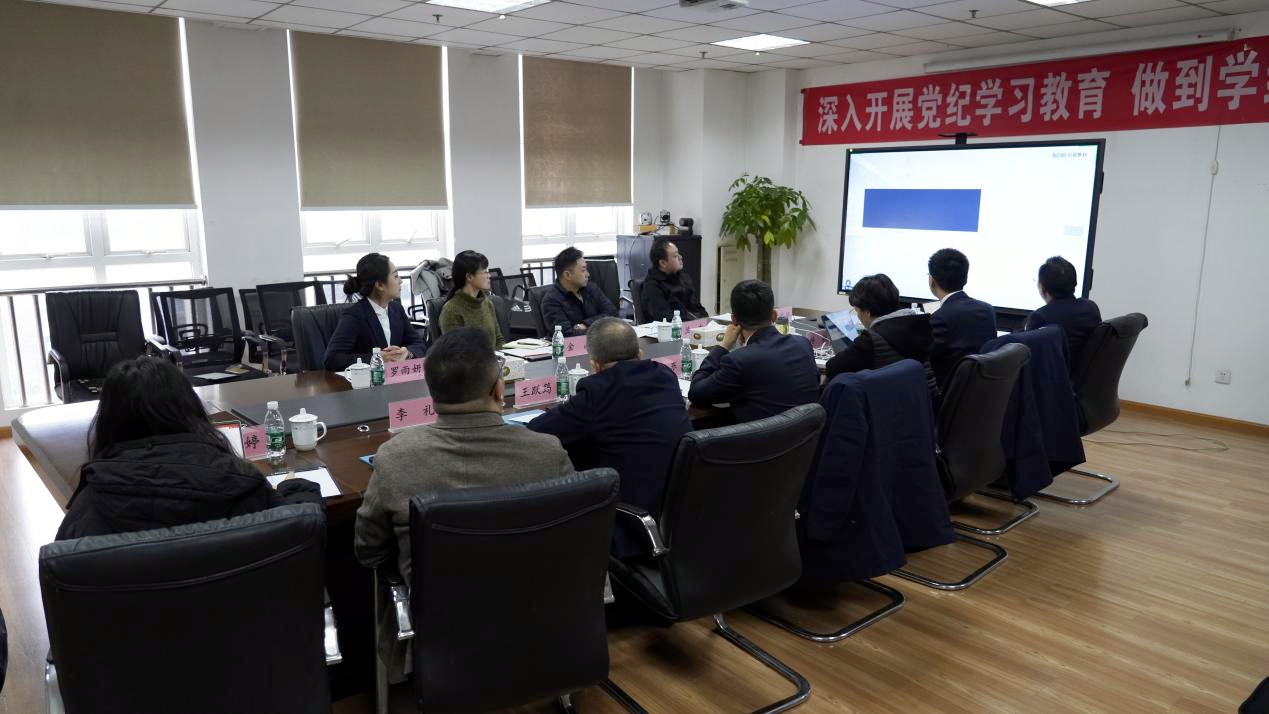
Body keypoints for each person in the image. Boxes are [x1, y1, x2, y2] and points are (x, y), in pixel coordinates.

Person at [354, 328, 574, 680]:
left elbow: (368, 550)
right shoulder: (547, 452)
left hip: (438, 623)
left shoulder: (394, 459)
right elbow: (570, 536)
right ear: (499, 389)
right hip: (535, 610)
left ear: (431, 393)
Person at [55, 357, 320, 540]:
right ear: (189, 409)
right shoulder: (242, 483)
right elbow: (297, 531)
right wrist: (297, 489)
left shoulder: (88, 509)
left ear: (109, 422)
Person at [527, 318, 690, 557]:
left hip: (633, 528)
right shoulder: (665, 376)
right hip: (685, 517)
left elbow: (537, 430)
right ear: (640, 353)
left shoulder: (597, 391)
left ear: (594, 365)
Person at [688, 279, 819, 423]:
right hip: (805, 434)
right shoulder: (803, 344)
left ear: (734, 320)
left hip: (761, 436)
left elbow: (696, 393)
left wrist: (723, 346)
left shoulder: (739, 360)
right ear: (774, 316)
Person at [825, 273, 938, 397]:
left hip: (889, 405)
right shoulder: (921, 327)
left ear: (867, 311)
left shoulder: (870, 340)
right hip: (924, 402)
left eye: (857, 311)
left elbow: (832, 368)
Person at [324, 252, 428, 371]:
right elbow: (332, 359)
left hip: (395, 378)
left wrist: (407, 352)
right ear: (379, 285)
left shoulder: (397, 309)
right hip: (367, 380)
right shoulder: (354, 315)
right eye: (395, 276)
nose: (400, 281)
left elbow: (419, 345)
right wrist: (377, 358)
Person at [927, 248, 997, 392]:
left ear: (932, 281)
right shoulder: (988, 309)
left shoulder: (940, 317)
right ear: (965, 278)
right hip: (981, 391)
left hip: (947, 395)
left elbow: (926, 360)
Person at [1024, 256, 1102, 367]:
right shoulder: (1090, 308)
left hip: (1054, 376)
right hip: (1084, 374)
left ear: (1042, 288)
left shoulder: (1040, 317)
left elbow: (1025, 359)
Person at [540, 247, 617, 337]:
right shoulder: (551, 301)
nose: (588, 274)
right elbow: (565, 334)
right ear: (567, 275)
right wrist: (600, 326)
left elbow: (612, 313)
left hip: (600, 340)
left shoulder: (592, 288)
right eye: (583, 270)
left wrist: (585, 325)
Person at [438, 250, 503, 348]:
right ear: (469, 276)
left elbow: (499, 339)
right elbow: (455, 351)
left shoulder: (487, 303)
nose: (489, 276)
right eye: (485, 272)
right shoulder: (451, 311)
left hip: (494, 357)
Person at [640, 238, 706, 323]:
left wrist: (706, 321)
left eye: (678, 254)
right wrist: (693, 323)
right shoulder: (652, 285)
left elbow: (696, 306)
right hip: (672, 328)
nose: (680, 257)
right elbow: (664, 317)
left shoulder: (683, 277)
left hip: (694, 325)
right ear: (663, 263)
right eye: (675, 256)